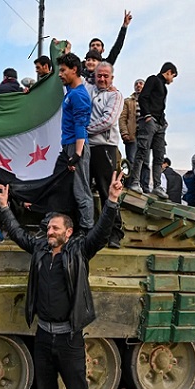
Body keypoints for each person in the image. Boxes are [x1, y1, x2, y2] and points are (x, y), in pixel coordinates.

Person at [0, 170, 124, 389]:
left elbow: (101, 233)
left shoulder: (79, 250)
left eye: (54, 228)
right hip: (43, 336)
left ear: (68, 232)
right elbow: (18, 234)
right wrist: (4, 206)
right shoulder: (40, 248)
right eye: (48, 228)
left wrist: (113, 200)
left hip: (69, 339)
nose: (49, 231)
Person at [85, 61, 124, 248]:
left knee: (107, 190)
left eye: (105, 76)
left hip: (104, 147)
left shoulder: (115, 95)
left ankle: (114, 232)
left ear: (111, 78)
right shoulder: (88, 89)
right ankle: (88, 230)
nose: (101, 79)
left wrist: (83, 130)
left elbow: (108, 121)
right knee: (83, 189)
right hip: (85, 147)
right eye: (99, 75)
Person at [56, 52, 94, 232]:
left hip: (76, 147)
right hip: (68, 146)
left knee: (82, 191)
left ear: (75, 70)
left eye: (63, 70)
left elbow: (81, 125)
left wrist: (77, 154)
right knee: (66, 190)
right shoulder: (71, 92)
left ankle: (87, 231)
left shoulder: (79, 95)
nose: (60, 74)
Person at [129, 62, 177, 199]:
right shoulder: (153, 79)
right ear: (168, 72)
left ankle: (157, 186)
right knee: (142, 152)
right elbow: (143, 97)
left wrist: (163, 121)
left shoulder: (163, 87)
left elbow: (160, 105)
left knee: (159, 155)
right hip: (150, 121)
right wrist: (147, 115)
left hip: (160, 124)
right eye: (172, 76)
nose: (172, 80)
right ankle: (135, 182)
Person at [119, 78, 149, 192]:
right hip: (132, 135)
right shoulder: (128, 101)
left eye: (141, 83)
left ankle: (145, 186)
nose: (138, 85)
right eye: (136, 84)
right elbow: (122, 118)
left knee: (145, 162)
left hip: (145, 136)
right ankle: (130, 184)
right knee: (131, 160)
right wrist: (124, 132)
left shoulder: (149, 101)